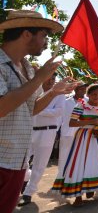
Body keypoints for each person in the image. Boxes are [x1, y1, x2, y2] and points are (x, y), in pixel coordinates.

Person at [0, 9, 77, 213]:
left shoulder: (27, 68)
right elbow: (2, 108)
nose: (45, 43)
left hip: (17, 160)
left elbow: (30, 109)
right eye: (43, 35)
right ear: (26, 34)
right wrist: (40, 78)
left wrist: (53, 91)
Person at [52, 84, 98, 206]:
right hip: (83, 139)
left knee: (95, 164)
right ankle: (78, 196)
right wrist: (92, 122)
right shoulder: (81, 105)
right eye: (93, 94)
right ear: (88, 95)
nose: (96, 97)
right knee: (80, 164)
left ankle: (90, 187)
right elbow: (72, 123)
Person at [19, 73, 66, 206]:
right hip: (30, 130)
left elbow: (58, 112)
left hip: (48, 131)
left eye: (53, 79)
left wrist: (37, 110)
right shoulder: (35, 91)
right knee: (22, 160)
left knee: (40, 164)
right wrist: (41, 110)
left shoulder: (59, 94)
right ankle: (25, 179)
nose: (50, 81)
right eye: (48, 78)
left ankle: (28, 193)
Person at [58, 83, 87, 176]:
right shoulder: (66, 102)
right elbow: (60, 118)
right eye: (81, 89)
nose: (83, 91)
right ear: (76, 90)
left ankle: (75, 176)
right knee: (64, 155)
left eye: (84, 89)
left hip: (82, 133)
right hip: (67, 133)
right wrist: (57, 131)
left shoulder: (87, 102)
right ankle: (61, 176)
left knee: (79, 156)